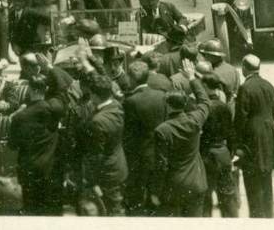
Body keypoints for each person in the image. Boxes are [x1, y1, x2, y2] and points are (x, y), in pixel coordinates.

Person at [8, 68, 73, 216]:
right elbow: (62, 91)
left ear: (29, 90)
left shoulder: (19, 117)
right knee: (53, 212)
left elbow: (12, 145)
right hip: (51, 171)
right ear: (45, 89)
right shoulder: (54, 111)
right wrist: (52, 69)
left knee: (32, 213)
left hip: (29, 172)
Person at [77, 51, 128, 216]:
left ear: (95, 95)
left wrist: (89, 180)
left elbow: (95, 155)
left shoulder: (98, 122)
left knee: (111, 211)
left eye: (92, 94)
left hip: (107, 175)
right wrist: (90, 63)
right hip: (118, 167)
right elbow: (106, 82)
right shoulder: (117, 105)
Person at [233, 55, 274, 218]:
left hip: (252, 136)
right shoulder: (268, 85)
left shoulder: (245, 88)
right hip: (268, 132)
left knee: (252, 178)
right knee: (266, 176)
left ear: (244, 68)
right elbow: (273, 112)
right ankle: (268, 213)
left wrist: (237, 143)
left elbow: (241, 117)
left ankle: (257, 216)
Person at [154, 80, 211, 217]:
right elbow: (205, 102)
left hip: (174, 186)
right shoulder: (195, 121)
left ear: (168, 106)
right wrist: (193, 80)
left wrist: (156, 191)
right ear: (184, 104)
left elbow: (162, 165)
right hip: (196, 182)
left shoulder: (162, 130)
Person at [121, 60, 167, 214]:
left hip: (138, 156)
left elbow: (127, 133)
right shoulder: (161, 95)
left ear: (132, 79)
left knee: (136, 199)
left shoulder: (130, 101)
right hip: (159, 153)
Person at [198, 70, 239, 218]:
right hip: (223, 154)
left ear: (206, 86)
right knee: (227, 199)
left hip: (206, 156)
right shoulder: (223, 106)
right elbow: (231, 133)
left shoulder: (203, 108)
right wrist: (230, 152)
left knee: (205, 200)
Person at [204, 39, 240, 116]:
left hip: (221, 110)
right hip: (234, 107)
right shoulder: (233, 69)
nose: (205, 57)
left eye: (206, 55)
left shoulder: (214, 74)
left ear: (211, 56)